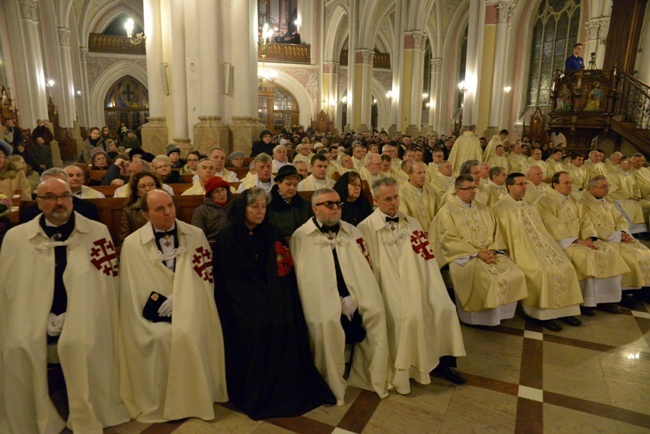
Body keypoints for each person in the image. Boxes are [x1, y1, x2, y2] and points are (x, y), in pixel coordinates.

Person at [0, 177, 129, 433]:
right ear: (38, 202)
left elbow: (105, 287)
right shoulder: (17, 238)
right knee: (17, 347)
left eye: (65, 195)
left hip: (85, 314)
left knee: (79, 342)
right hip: (34, 317)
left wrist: (75, 313)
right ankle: (33, 413)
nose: (59, 202)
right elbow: (11, 291)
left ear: (72, 198)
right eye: (50, 196)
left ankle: (86, 411)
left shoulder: (96, 232)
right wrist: (39, 316)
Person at [214, 188, 335, 419]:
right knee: (259, 326)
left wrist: (275, 299)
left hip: (271, 292)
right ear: (243, 209)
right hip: (241, 298)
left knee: (285, 321)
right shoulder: (227, 236)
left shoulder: (273, 232)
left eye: (263, 207)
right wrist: (256, 299)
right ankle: (258, 390)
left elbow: (281, 272)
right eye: (254, 207)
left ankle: (285, 388)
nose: (260, 211)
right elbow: (228, 280)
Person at [119, 189, 228, 422]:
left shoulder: (195, 234)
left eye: (170, 205)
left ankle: (195, 399)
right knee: (158, 338)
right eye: (159, 209)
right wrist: (160, 303)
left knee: (188, 333)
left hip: (194, 306)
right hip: (151, 313)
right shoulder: (132, 244)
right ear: (147, 215)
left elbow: (206, 277)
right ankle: (160, 400)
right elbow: (132, 288)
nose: (168, 212)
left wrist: (182, 297)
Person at [358, 178, 466, 388]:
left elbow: (427, 259)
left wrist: (432, 288)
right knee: (411, 316)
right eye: (388, 199)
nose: (394, 203)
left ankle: (443, 362)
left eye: (396, 197)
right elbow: (366, 268)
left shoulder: (411, 222)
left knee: (445, 308)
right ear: (376, 200)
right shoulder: (366, 228)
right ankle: (412, 367)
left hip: (420, 282)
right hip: (388, 286)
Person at [290, 188, 390, 405]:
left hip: (353, 292)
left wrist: (355, 296)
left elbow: (362, 268)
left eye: (338, 204)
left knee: (375, 311)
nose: (336, 208)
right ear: (315, 208)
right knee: (326, 322)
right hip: (321, 298)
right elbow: (306, 280)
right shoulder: (302, 236)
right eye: (329, 204)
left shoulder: (353, 231)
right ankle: (331, 382)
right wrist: (334, 300)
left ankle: (370, 375)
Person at [430, 174, 528, 326]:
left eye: (474, 187)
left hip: (489, 253)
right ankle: (479, 319)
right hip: (464, 257)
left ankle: (501, 315)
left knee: (515, 272)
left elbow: (496, 232)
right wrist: (476, 253)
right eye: (468, 188)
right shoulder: (447, 211)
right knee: (487, 278)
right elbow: (447, 239)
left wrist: (493, 250)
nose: (473, 191)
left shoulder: (483, 208)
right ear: (458, 191)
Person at [492, 173, 584, 331]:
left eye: (525, 184)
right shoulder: (500, 207)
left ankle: (566, 311)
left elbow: (542, 227)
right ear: (510, 187)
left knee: (566, 266)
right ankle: (543, 315)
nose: (524, 187)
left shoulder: (529, 204)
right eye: (520, 184)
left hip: (543, 245)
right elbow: (500, 234)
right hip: (521, 250)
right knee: (543, 271)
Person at [536, 172, 630, 317]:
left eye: (571, 182)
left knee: (609, 252)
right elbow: (553, 226)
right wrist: (578, 241)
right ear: (555, 185)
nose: (570, 186)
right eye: (566, 183)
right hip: (564, 243)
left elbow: (586, 221)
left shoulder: (573, 199)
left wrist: (589, 238)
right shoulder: (545, 201)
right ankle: (588, 302)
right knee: (588, 257)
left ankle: (607, 299)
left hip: (583, 240)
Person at [580, 176, 650, 304]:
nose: (607, 189)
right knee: (631, 258)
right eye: (604, 187)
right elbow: (593, 226)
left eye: (608, 186)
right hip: (605, 239)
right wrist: (617, 235)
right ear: (592, 189)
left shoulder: (607, 200)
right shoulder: (584, 203)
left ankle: (644, 290)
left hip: (619, 236)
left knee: (645, 253)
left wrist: (623, 232)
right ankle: (624, 293)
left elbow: (620, 219)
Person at [20, 168, 101, 223]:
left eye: (61, 184)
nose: (59, 202)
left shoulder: (87, 209)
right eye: (50, 185)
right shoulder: (29, 213)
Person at [268, 165, 312, 237]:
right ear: (278, 183)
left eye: (295, 185)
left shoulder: (305, 204)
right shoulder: (268, 204)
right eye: (288, 184)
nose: (292, 188)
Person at [118, 170, 161, 244]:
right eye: (142, 186)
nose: (147, 189)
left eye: (151, 184)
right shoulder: (129, 211)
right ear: (137, 192)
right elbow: (124, 241)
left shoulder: (167, 205)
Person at [191, 176, 233, 243]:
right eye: (216, 191)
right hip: (212, 246)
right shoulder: (201, 211)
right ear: (210, 194)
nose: (221, 194)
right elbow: (197, 236)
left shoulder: (235, 206)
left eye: (223, 189)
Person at [399, 161, 438, 230]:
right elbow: (404, 218)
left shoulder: (431, 191)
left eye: (424, 172)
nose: (423, 176)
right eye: (419, 173)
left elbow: (438, 213)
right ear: (410, 176)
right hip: (415, 234)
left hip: (434, 231)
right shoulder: (402, 194)